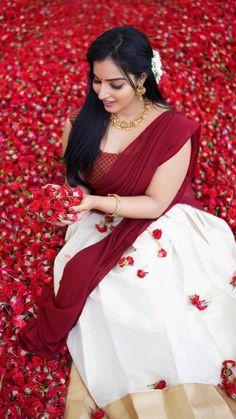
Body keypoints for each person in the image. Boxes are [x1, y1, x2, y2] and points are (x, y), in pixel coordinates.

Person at [19, 26, 236, 418]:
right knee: (106, 300)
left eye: (115, 84)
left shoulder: (174, 130)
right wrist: (64, 205)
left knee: (159, 302)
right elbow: (77, 178)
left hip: (163, 221)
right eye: (96, 81)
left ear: (142, 78)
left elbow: (155, 203)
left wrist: (92, 202)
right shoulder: (82, 122)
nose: (102, 93)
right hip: (99, 216)